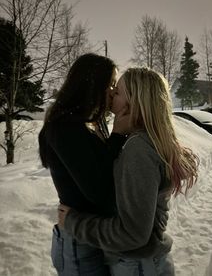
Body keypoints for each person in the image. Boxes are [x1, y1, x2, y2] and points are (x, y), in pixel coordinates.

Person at [58, 67, 199, 276]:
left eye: (118, 91)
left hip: (138, 266)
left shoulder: (139, 149)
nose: (112, 93)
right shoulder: (142, 141)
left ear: (135, 101)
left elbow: (133, 234)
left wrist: (73, 222)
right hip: (143, 263)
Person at [38, 53, 129, 276]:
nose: (113, 92)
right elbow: (97, 191)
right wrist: (117, 136)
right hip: (79, 242)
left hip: (92, 233)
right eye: (109, 84)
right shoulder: (64, 128)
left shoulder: (88, 124)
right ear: (91, 85)